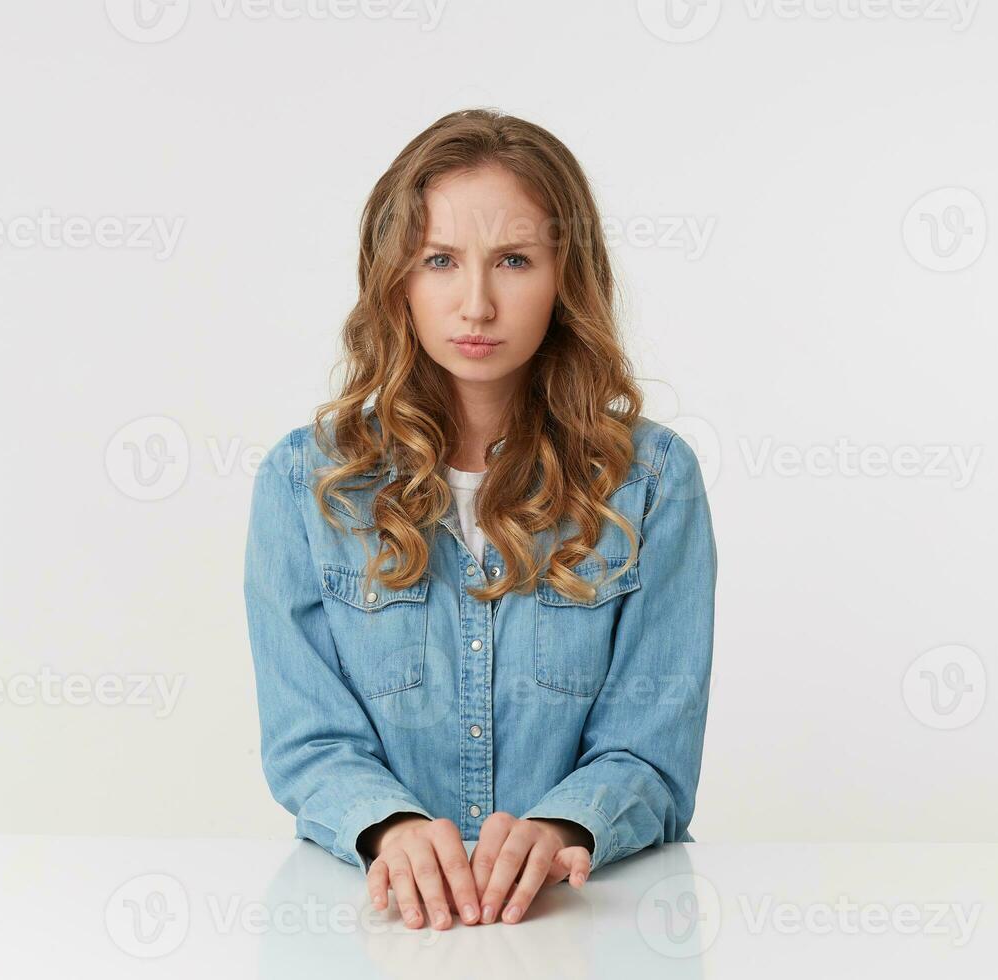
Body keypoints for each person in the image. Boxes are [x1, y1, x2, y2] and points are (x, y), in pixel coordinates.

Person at [243, 108, 716, 931]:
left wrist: (566, 825)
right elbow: (308, 740)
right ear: (396, 279)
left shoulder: (652, 479)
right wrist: (389, 827)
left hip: (585, 924)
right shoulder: (304, 484)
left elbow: (652, 748)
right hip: (378, 931)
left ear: (566, 277)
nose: (478, 302)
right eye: (439, 260)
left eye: (513, 260)